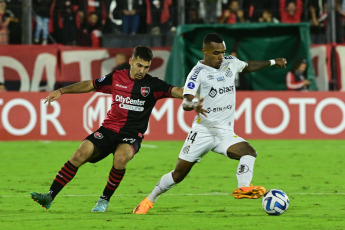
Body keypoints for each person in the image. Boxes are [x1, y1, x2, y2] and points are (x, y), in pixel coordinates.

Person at [133, 33, 287, 214]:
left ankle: (244, 187)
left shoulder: (230, 62)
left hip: (224, 133)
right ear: (204, 51)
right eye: (216, 53)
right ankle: (149, 200)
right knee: (178, 175)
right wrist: (194, 104)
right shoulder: (197, 73)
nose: (221, 56)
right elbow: (186, 101)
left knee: (249, 152)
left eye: (223, 52)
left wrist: (272, 62)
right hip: (203, 131)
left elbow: (247, 66)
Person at [30, 46, 184, 212]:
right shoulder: (117, 77)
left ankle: (103, 200)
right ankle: (49, 197)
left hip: (131, 136)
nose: (142, 70)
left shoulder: (153, 85)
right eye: (139, 65)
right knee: (80, 153)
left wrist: (193, 94)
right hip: (108, 130)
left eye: (146, 67)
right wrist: (62, 90)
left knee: (120, 157)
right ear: (131, 61)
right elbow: (91, 84)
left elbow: (177, 91)